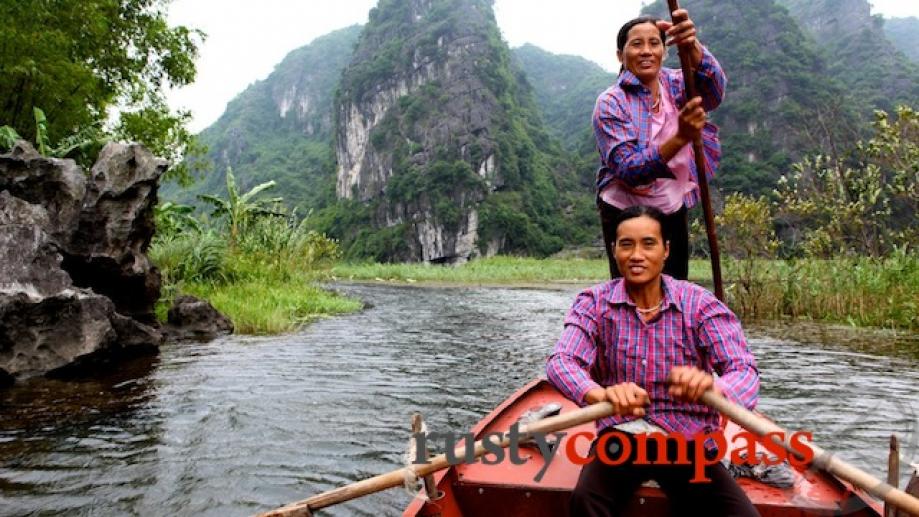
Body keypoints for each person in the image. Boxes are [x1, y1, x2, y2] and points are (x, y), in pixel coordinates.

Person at [546, 205, 760, 517]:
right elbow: (561, 361)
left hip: (687, 441)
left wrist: (714, 387)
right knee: (586, 501)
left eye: (648, 244)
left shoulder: (700, 304)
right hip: (622, 435)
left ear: (665, 250)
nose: (636, 255)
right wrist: (601, 395)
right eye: (626, 244)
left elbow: (744, 371)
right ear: (614, 250)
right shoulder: (593, 303)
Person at [593, 10, 726, 280]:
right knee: (633, 293)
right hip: (624, 210)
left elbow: (713, 93)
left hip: (671, 206)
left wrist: (692, 46)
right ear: (620, 55)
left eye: (654, 43)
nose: (646, 51)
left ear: (665, 51)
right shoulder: (610, 103)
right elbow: (630, 169)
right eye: (636, 44)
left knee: (674, 290)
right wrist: (681, 137)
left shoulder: (675, 83)